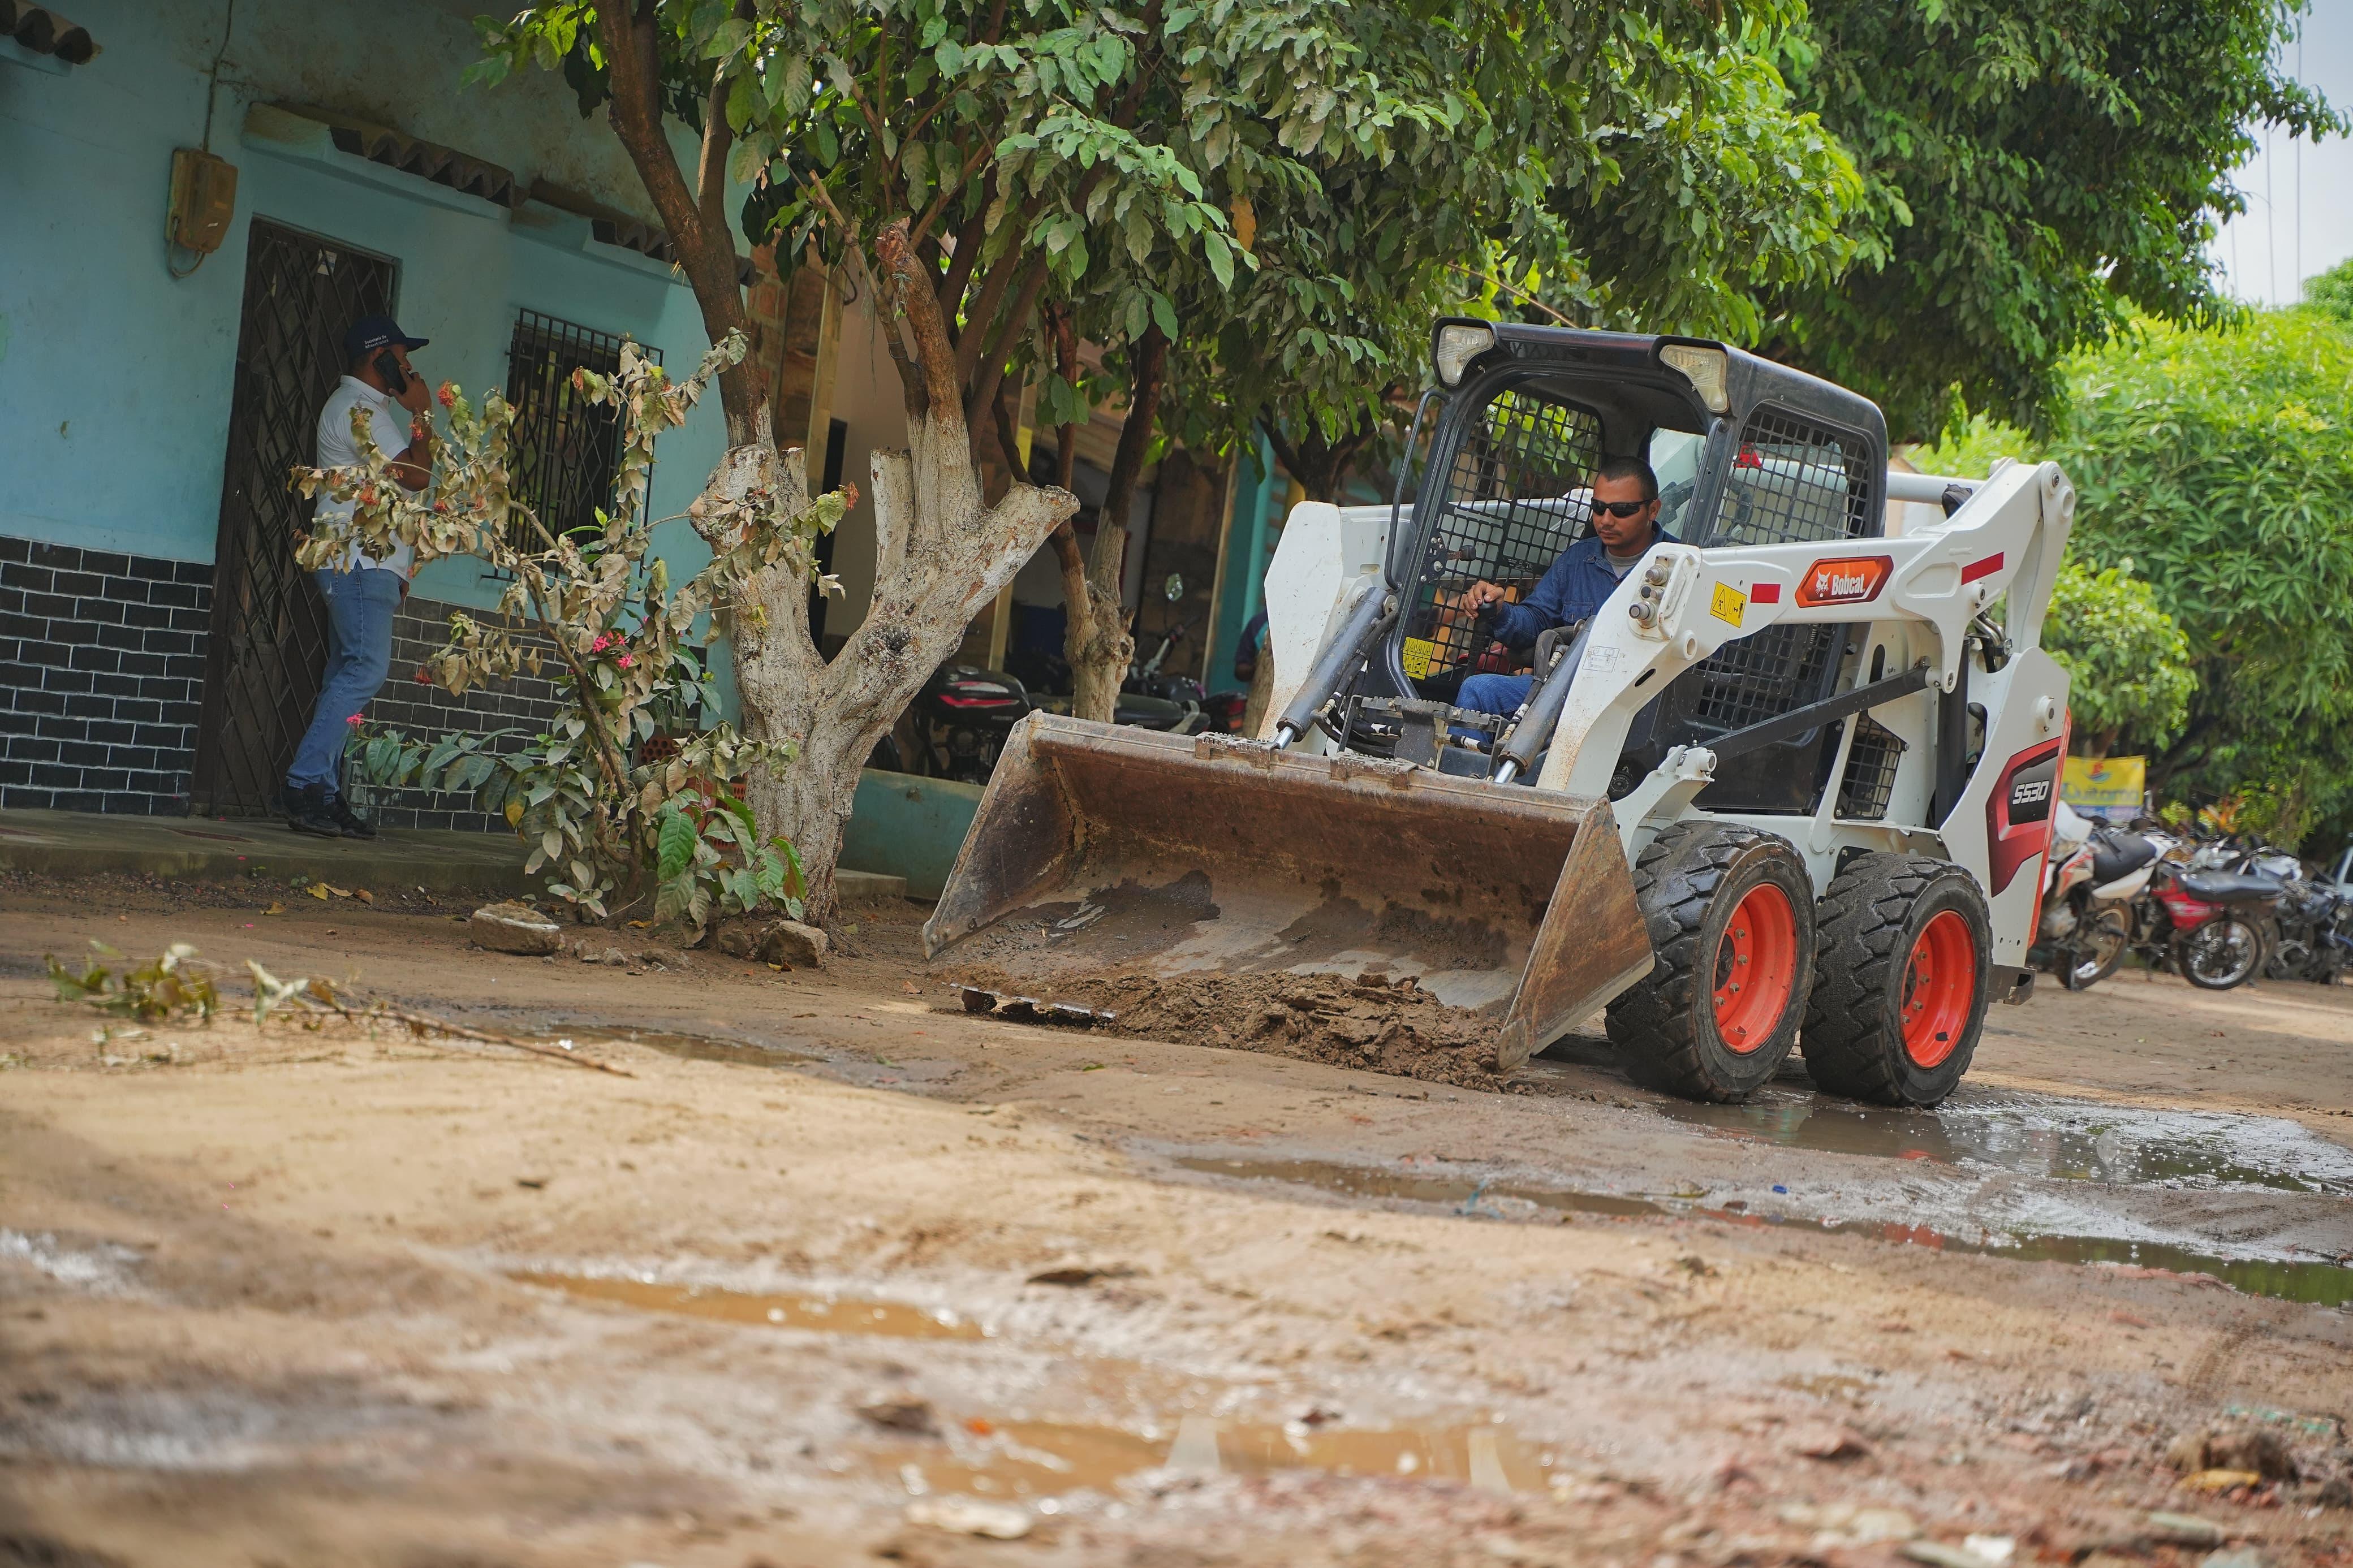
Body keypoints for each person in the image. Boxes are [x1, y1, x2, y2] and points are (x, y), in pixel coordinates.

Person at [283, 313, 434, 839]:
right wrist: (423, 416)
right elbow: (417, 475)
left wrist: (402, 561)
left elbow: (398, 488)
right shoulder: (356, 409)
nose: (410, 366)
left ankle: (322, 794)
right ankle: (304, 784)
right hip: (357, 562)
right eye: (402, 355)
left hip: (368, 563)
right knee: (365, 672)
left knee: (343, 675)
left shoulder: (368, 408)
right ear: (378, 358)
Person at [1451, 455, 1676, 719]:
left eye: (1621, 510)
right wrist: (1499, 611)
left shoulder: (1683, 566)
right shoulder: (1576, 560)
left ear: (1653, 509)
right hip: (1566, 690)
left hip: (1640, 702)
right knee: (1479, 690)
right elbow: (1536, 621)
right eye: (1599, 508)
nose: (1606, 520)